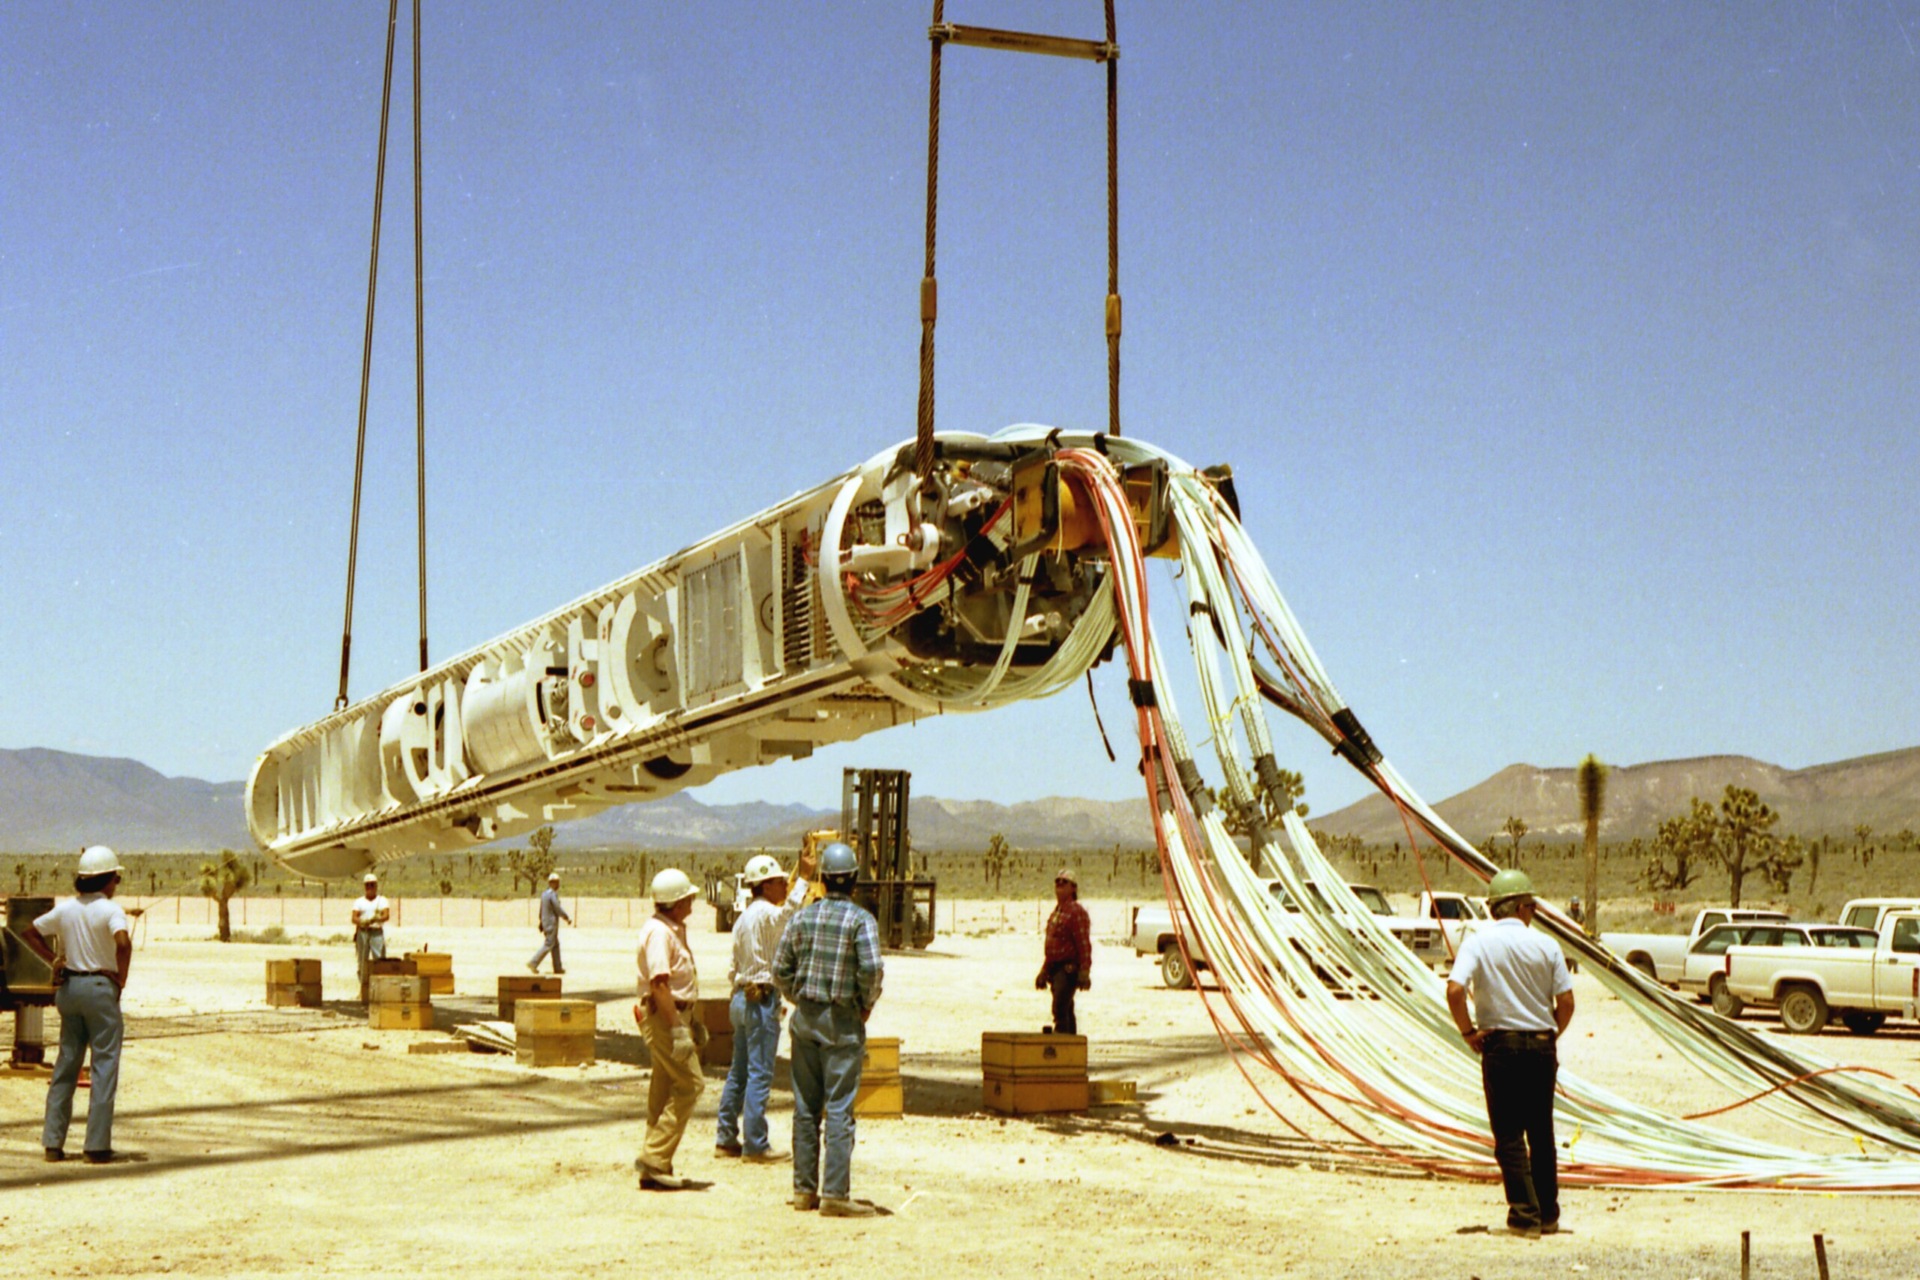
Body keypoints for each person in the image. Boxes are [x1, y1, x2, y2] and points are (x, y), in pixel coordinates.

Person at [1445, 868, 1576, 1238]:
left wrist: (1468, 1032)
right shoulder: (1547, 946)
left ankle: (1524, 1215)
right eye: (1531, 905)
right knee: (1541, 1133)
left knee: (1508, 1135)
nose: (1532, 912)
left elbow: (1455, 991)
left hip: (1500, 1046)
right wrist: (1550, 1033)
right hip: (1540, 1047)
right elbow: (1566, 1001)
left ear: (1493, 910)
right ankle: (1548, 1214)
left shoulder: (1478, 943)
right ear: (1520, 908)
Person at [773, 841, 884, 1218]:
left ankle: (804, 1190)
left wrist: (799, 996)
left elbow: (779, 969)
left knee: (805, 1108)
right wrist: (865, 1003)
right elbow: (870, 969)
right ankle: (835, 1193)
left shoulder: (803, 917)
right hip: (841, 1023)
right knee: (839, 1108)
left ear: (822, 879)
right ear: (853, 880)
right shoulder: (861, 921)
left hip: (805, 1021)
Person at [22, 846, 133, 1163]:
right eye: (116, 878)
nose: (116, 884)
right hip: (100, 988)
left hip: (69, 990)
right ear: (107, 879)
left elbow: (30, 931)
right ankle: (96, 1146)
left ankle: (53, 1143)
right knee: (104, 1067)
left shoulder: (67, 910)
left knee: (66, 1066)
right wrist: (120, 980)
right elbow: (123, 943)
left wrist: (53, 960)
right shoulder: (112, 911)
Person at [715, 847, 815, 1162]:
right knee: (760, 1073)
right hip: (760, 999)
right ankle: (755, 1144)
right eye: (779, 881)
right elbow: (789, 914)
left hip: (742, 997)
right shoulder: (765, 915)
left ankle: (725, 1136)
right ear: (765, 885)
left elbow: (732, 966)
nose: (784, 885)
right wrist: (806, 879)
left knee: (739, 1071)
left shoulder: (743, 919)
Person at [634, 867, 706, 1191]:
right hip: (665, 1018)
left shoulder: (670, 929)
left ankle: (654, 1162)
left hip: (673, 1016)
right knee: (691, 1084)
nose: (692, 900)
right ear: (677, 902)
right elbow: (660, 984)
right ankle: (654, 1157)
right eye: (688, 897)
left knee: (662, 1091)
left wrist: (691, 1020)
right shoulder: (660, 934)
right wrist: (677, 1029)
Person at [1035, 867, 1092, 1035]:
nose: (1059, 884)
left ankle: (1061, 1042)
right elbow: (1053, 947)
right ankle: (1071, 1049)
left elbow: (1083, 944)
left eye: (1064, 882)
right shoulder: (1057, 912)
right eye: (1057, 881)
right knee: (1066, 1009)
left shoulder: (1076, 912)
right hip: (1055, 969)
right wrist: (1044, 971)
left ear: (1073, 888)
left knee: (1060, 1008)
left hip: (1067, 970)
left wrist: (1084, 971)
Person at [351, 872, 390, 1003]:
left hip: (376, 933)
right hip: (363, 932)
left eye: (372, 885)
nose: (370, 887)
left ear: (376, 886)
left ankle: (381, 989)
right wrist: (362, 921)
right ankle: (363, 989)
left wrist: (376, 918)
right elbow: (354, 917)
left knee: (379, 960)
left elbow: (386, 915)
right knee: (362, 961)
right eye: (368, 885)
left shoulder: (382, 900)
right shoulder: (359, 902)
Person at [528, 872, 572, 974]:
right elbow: (557, 908)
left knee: (555, 945)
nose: (558, 885)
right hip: (551, 924)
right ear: (552, 883)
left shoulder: (544, 894)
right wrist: (566, 917)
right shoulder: (552, 895)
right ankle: (533, 962)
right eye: (557, 882)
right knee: (548, 944)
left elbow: (541, 910)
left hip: (546, 923)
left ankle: (557, 968)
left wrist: (541, 922)